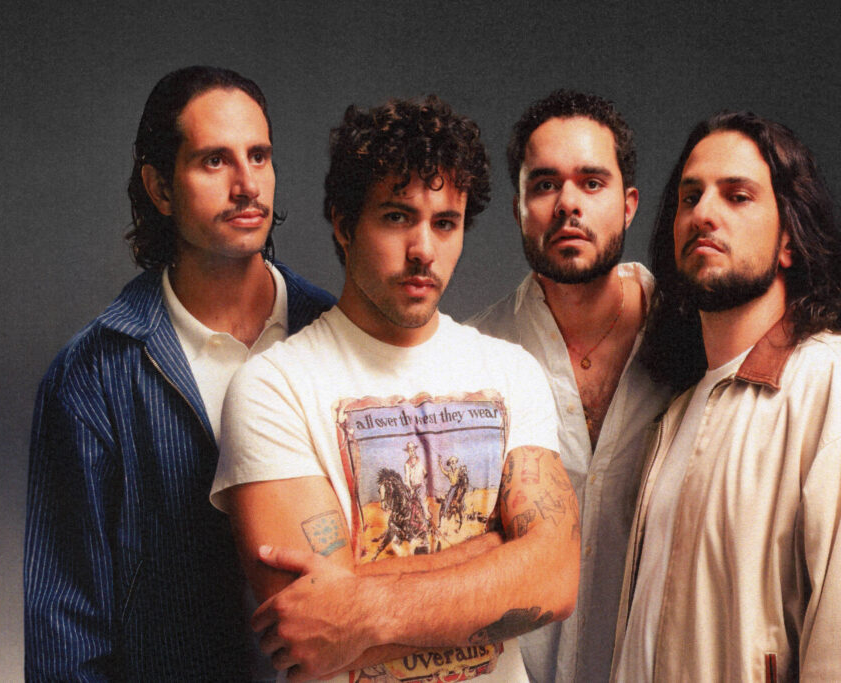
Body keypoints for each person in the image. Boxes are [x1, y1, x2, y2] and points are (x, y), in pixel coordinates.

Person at [211, 95, 580, 683]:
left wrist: (359, 606)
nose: (423, 250)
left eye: (445, 223)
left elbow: (554, 580)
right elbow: (306, 632)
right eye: (396, 217)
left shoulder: (512, 371)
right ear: (343, 225)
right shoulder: (271, 388)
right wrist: (496, 553)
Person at [610, 111, 841, 681]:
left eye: (738, 196)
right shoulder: (675, 414)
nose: (704, 214)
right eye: (690, 197)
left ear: (789, 239)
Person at [23, 66, 336, 680]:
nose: (247, 185)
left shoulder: (334, 332)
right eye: (214, 161)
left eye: (259, 156)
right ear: (160, 188)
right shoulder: (91, 376)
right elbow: (66, 633)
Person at [468, 89, 670, 682]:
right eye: (545, 184)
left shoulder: (689, 342)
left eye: (592, 182)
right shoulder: (475, 358)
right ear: (518, 209)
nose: (568, 204)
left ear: (629, 205)